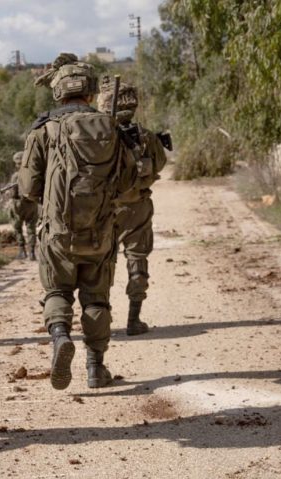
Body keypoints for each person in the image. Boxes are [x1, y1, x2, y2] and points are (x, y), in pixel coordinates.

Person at [18, 53, 138, 390]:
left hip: (57, 233)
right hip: (100, 231)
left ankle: (59, 337)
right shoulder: (111, 126)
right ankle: (95, 368)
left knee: (57, 290)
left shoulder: (44, 130)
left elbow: (28, 188)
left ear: (58, 91)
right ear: (89, 91)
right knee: (96, 299)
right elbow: (130, 183)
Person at [97, 76, 169, 336]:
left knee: (102, 265)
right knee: (137, 259)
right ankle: (133, 319)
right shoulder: (146, 137)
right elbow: (159, 164)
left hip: (104, 209)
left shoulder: (99, 137)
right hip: (137, 206)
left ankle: (99, 321)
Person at [6, 151, 38, 260]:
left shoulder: (15, 176)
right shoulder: (34, 174)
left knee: (18, 228)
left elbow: (13, 193)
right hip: (32, 205)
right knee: (31, 229)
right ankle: (32, 253)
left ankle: (22, 251)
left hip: (18, 205)